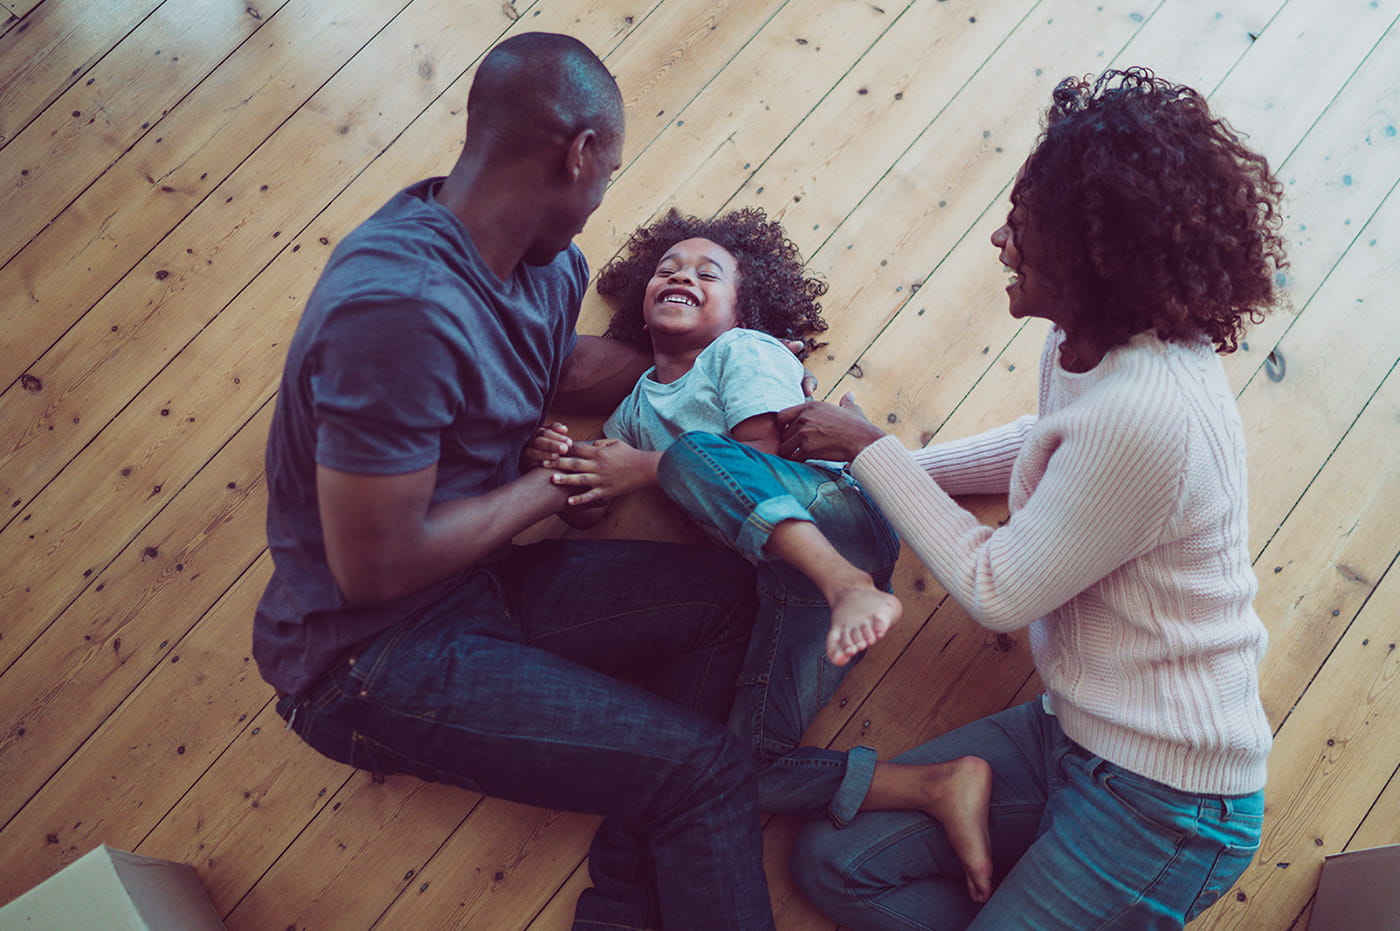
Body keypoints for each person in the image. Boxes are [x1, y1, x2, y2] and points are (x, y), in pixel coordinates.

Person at [254, 33, 779, 931]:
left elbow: (549, 366)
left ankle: (620, 904)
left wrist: (721, 369)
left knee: (733, 594)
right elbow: (373, 570)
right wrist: (556, 487)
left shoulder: (549, 269)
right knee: (707, 770)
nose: (601, 196)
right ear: (579, 152)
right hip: (367, 655)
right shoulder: (397, 305)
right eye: (608, 174)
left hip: (476, 591)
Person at [781, 68, 1284, 929]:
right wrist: (864, 465)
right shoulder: (1085, 342)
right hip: (1073, 734)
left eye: (1026, 230)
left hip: (1168, 804)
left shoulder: (1152, 414)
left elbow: (997, 589)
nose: (1000, 243)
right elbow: (1042, 446)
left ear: (1093, 260)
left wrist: (869, 450)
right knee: (832, 860)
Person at [530, 207, 996, 901]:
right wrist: (569, 472)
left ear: (742, 307)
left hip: (837, 527)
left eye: (705, 272)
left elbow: (757, 457)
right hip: (788, 588)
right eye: (667, 269)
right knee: (739, 766)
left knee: (694, 453)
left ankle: (846, 586)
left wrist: (643, 469)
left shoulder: (740, 352)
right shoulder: (632, 411)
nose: (680, 275)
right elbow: (596, 512)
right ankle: (935, 783)